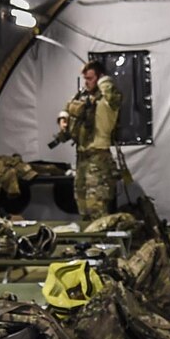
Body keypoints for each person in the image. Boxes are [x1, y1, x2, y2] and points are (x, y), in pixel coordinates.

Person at [54, 60, 122, 221]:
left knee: (97, 207)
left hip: (98, 159)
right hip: (82, 159)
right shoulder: (85, 97)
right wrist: (63, 120)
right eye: (85, 79)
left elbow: (110, 91)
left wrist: (102, 79)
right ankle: (90, 242)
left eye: (90, 78)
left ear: (99, 78)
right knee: (82, 205)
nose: (86, 82)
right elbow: (68, 108)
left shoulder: (107, 101)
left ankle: (103, 244)